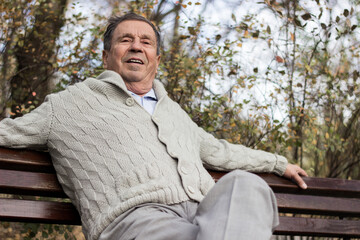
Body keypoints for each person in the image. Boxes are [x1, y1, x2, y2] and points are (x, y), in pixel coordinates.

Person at [0, 13, 307, 240]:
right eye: (125, 40)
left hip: (207, 219)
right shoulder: (67, 105)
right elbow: (9, 132)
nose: (136, 47)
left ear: (156, 59)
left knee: (245, 183)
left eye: (145, 42)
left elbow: (222, 152)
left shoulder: (173, 113)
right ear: (107, 56)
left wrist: (279, 163)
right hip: (137, 220)